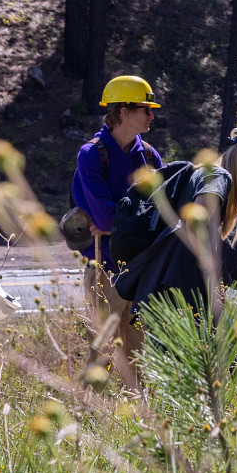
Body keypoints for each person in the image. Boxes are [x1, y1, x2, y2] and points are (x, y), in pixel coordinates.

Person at [114, 125, 237, 327]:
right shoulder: (218, 176)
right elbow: (196, 224)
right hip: (181, 294)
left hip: (162, 289)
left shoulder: (204, 175)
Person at [71, 75, 165, 382]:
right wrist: (137, 217)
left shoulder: (151, 156)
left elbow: (162, 215)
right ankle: (91, 416)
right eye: (145, 109)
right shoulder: (91, 154)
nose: (152, 115)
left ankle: (134, 419)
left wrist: (121, 219)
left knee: (139, 357)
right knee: (103, 355)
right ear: (123, 111)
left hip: (140, 269)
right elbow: (106, 217)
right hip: (103, 266)